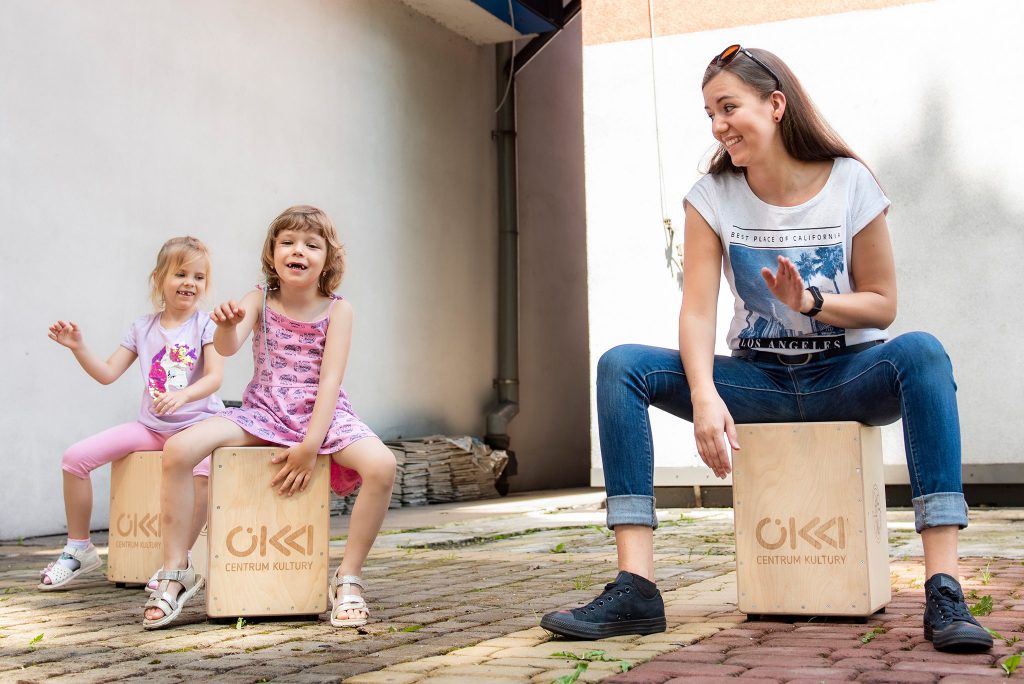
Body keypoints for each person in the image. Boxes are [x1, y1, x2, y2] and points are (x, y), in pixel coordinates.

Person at [541, 45, 992, 653]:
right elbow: (697, 310)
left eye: (728, 107)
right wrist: (705, 395)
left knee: (924, 353)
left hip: (845, 377)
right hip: (759, 382)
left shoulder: (850, 182)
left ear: (775, 105)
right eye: (709, 113)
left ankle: (945, 589)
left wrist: (809, 302)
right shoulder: (712, 196)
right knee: (621, 365)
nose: (718, 125)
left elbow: (883, 303)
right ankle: (636, 587)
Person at [142, 205, 396, 630]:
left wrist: (310, 447)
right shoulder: (257, 298)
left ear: (328, 259)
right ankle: (176, 570)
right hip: (263, 410)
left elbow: (330, 381)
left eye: (311, 245)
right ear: (272, 253)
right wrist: (226, 326)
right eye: (288, 242)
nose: (298, 251)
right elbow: (227, 348)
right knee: (179, 448)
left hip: (323, 415)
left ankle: (348, 577)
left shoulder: (339, 310)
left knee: (382, 465)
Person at [41, 236, 223, 591]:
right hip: (152, 428)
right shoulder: (142, 328)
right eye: (181, 274)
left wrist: (183, 395)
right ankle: (79, 549)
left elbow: (215, 377)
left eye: (199, 277)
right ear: (158, 278)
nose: (190, 283)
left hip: (198, 428)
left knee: (202, 472)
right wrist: (78, 347)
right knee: (74, 459)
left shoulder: (206, 324)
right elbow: (108, 373)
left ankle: (178, 562)